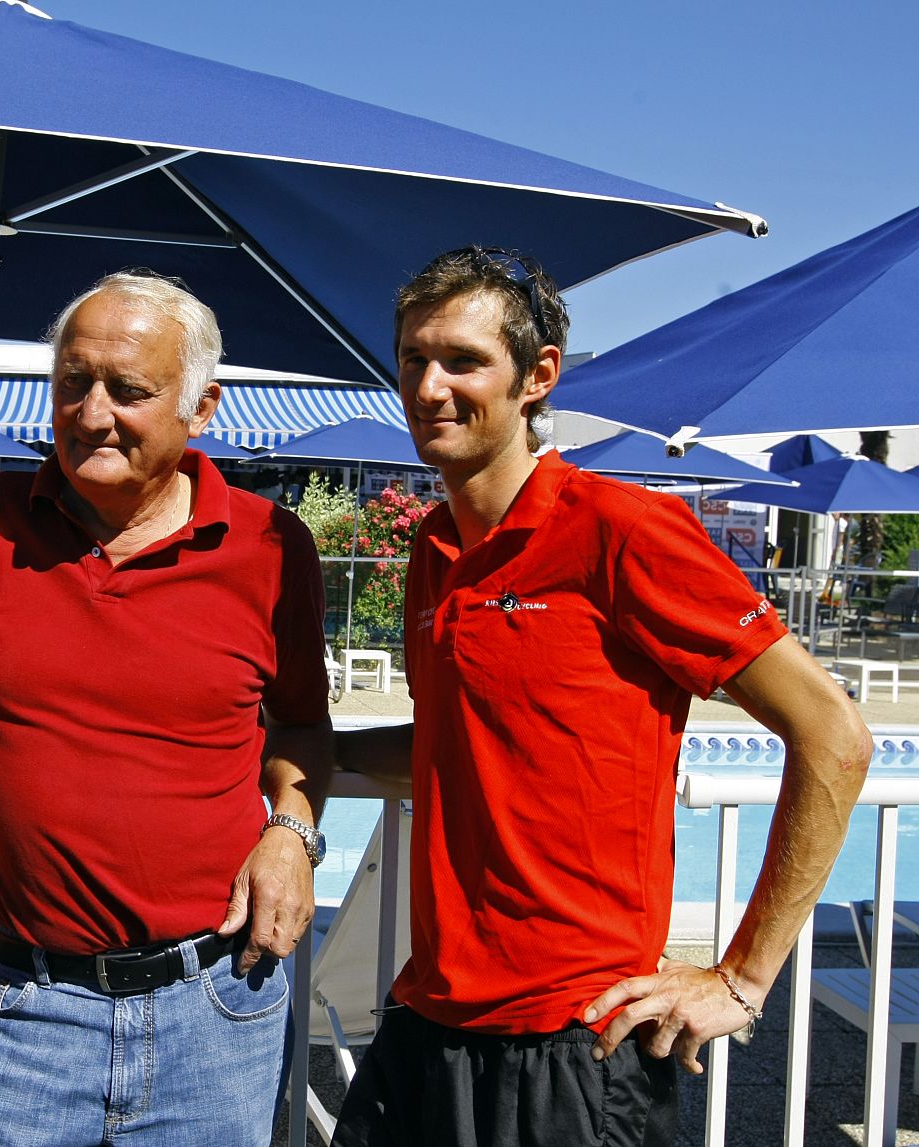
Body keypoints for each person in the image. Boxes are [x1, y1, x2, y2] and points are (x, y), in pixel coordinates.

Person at [332, 247, 871, 1147]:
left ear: (537, 376)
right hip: (430, 1018)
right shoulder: (433, 553)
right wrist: (315, 746)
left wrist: (742, 978)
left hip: (576, 1044)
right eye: (413, 358)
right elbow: (456, 741)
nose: (429, 387)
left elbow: (835, 732)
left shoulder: (622, 530)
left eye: (463, 361)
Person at [0, 270, 334, 1145]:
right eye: (74, 382)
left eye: (129, 391)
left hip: (216, 1001)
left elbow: (303, 728)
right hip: (26, 1004)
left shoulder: (273, 548)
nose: (92, 414)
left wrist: (292, 831)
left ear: (203, 409)